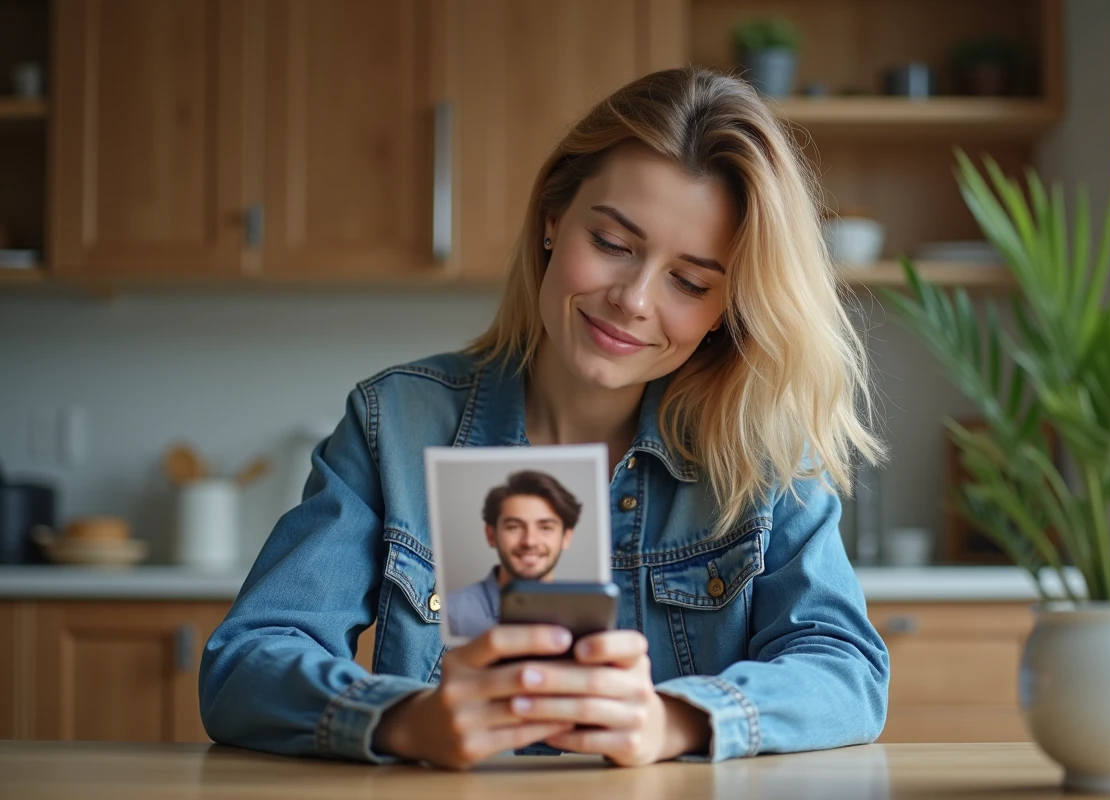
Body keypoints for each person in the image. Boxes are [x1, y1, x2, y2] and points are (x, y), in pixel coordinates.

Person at [200, 66, 889, 770]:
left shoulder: (763, 451)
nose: (634, 300)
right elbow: (246, 662)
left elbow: (847, 671)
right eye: (613, 244)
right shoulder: (395, 423)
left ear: (727, 309)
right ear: (553, 218)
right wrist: (405, 720)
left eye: (689, 282)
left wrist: (677, 721)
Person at [445, 470, 582, 639]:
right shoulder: (449, 613)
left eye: (546, 527)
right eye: (513, 527)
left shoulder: (587, 617)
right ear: (491, 535)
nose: (529, 541)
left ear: (566, 537)